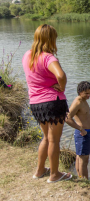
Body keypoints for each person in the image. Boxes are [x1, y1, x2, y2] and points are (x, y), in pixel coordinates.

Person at [23, 24, 72, 183]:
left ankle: (39, 171)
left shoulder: (27, 55)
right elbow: (61, 75)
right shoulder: (48, 57)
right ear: (50, 39)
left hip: (36, 103)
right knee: (54, 140)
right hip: (52, 102)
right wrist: (62, 87)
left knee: (46, 137)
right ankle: (54, 174)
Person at [65, 81, 90, 179]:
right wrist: (80, 128)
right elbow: (67, 118)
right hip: (83, 134)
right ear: (80, 92)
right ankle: (85, 181)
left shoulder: (83, 100)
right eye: (86, 93)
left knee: (80, 157)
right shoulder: (78, 101)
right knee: (83, 159)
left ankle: (80, 178)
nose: (89, 95)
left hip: (87, 133)